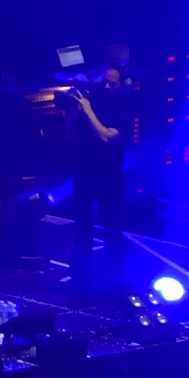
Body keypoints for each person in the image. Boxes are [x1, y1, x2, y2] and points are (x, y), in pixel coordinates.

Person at [65, 65, 127, 255]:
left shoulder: (124, 105)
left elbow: (106, 137)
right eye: (104, 82)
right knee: (82, 226)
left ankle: (115, 265)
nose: (106, 86)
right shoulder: (95, 101)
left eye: (111, 83)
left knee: (111, 227)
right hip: (85, 171)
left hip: (109, 174)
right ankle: (81, 264)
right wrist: (75, 110)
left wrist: (88, 110)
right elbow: (70, 135)